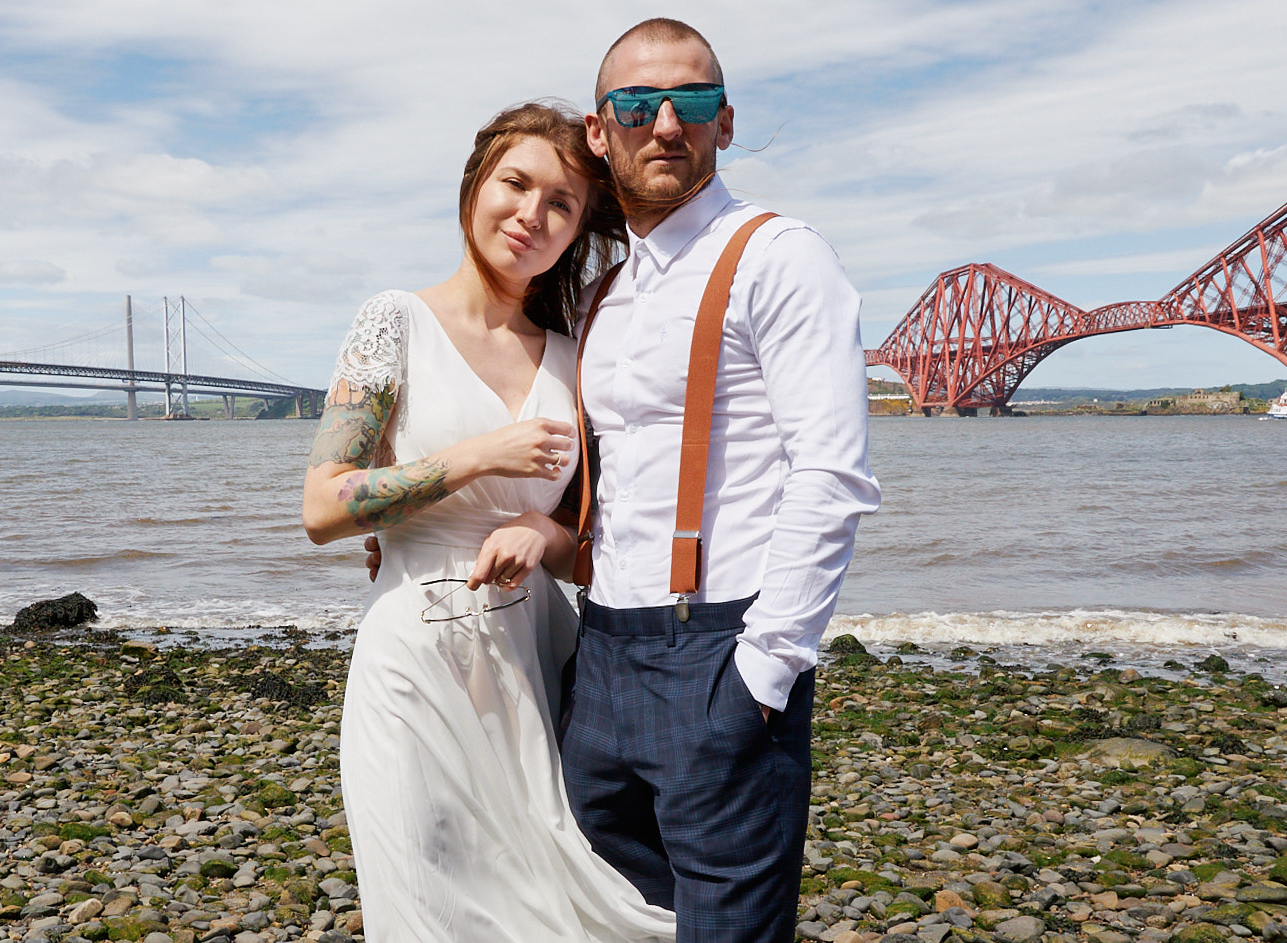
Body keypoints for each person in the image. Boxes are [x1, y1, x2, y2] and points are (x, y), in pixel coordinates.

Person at [301, 102, 674, 942]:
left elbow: (597, 543)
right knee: (427, 908)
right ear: (476, 184)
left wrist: (544, 538)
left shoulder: (580, 350)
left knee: (565, 903)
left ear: (578, 227)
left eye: (561, 204)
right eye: (516, 183)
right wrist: (476, 456)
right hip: (413, 670)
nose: (531, 215)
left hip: (540, 667)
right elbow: (323, 506)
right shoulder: (394, 321)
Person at [559, 18, 881, 943]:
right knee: (619, 921)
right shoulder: (605, 292)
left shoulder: (779, 255)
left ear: (724, 123)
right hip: (602, 658)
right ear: (599, 129)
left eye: (691, 102)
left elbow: (831, 474)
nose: (665, 123)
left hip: (720, 647)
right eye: (636, 103)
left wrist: (763, 673)